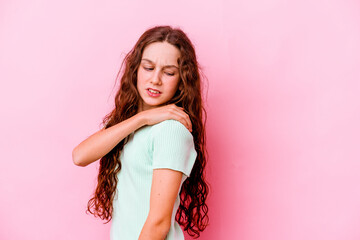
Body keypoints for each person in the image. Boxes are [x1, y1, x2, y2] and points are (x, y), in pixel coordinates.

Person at [72, 25, 209, 240]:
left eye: (169, 72)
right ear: (135, 69)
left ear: (182, 81)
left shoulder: (170, 131)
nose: (156, 79)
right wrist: (142, 118)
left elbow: (159, 223)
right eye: (148, 67)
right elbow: (80, 156)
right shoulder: (132, 124)